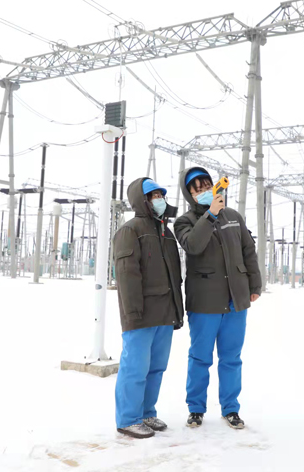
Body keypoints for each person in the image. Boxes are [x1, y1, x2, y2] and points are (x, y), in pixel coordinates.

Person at [174, 167, 261, 430]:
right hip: (204, 302)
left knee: (232, 358)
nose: (203, 191)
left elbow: (248, 251)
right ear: (189, 194)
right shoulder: (184, 221)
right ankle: (196, 408)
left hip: (236, 300)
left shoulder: (234, 216)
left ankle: (231, 408)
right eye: (196, 188)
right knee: (200, 357)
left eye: (206, 185)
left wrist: (254, 284)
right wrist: (210, 214)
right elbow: (193, 245)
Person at [113, 177, 184, 439]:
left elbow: (175, 276)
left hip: (165, 313)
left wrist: (178, 310)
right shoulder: (130, 230)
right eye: (153, 195)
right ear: (141, 200)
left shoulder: (166, 232)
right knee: (135, 368)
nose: (159, 200)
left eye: (161, 195)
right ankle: (128, 419)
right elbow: (126, 274)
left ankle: (146, 412)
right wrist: (132, 312)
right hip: (141, 314)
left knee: (156, 367)